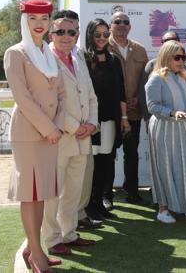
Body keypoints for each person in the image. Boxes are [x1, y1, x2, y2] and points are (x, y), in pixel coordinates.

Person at [4, 0, 65, 272]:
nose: (39, 24)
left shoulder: (49, 54)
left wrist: (59, 125)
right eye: (33, 18)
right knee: (30, 194)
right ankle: (37, 252)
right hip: (29, 134)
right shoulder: (15, 53)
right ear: (24, 22)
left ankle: (33, 245)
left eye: (43, 18)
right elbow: (23, 98)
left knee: (41, 194)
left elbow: (62, 95)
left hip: (51, 134)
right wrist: (49, 128)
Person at [42, 13, 99, 255]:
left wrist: (93, 125)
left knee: (74, 190)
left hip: (83, 137)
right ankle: (53, 239)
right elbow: (49, 102)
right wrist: (77, 127)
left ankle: (69, 233)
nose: (66, 37)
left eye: (71, 32)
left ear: (77, 35)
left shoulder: (78, 58)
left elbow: (91, 95)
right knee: (53, 192)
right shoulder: (43, 59)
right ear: (50, 35)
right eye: (60, 32)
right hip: (60, 137)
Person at [146, 41, 186, 223]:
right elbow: (152, 106)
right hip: (164, 128)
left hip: (183, 128)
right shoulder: (156, 79)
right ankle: (163, 209)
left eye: (183, 57)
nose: (181, 61)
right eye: (177, 57)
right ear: (166, 57)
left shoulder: (182, 77)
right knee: (165, 166)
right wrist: (173, 113)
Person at [83, 18, 129, 221]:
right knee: (90, 165)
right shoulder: (82, 59)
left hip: (111, 119)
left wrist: (124, 117)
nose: (102, 38)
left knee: (106, 162)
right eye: (97, 35)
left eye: (105, 34)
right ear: (90, 36)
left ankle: (100, 202)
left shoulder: (113, 60)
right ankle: (87, 206)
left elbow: (121, 92)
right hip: (91, 121)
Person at [108, 12, 148, 205]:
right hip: (110, 112)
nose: (122, 25)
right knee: (108, 154)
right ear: (110, 25)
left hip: (134, 110)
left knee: (132, 154)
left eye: (126, 22)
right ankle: (105, 195)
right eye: (117, 22)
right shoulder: (102, 47)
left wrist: (138, 98)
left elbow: (146, 80)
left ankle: (132, 191)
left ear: (130, 26)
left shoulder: (140, 50)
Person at [139, 31, 182, 122]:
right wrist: (148, 118)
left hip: (183, 119)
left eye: (174, 40)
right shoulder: (152, 65)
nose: (170, 43)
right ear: (162, 44)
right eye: (167, 40)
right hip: (159, 120)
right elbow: (144, 94)